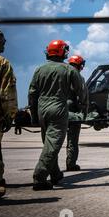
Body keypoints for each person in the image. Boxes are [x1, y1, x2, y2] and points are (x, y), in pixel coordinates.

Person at [28, 40, 85, 190]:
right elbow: (82, 91)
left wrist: (33, 116)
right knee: (53, 145)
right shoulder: (69, 70)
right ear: (62, 52)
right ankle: (39, 177)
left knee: (48, 143)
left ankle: (55, 174)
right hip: (58, 108)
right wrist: (84, 110)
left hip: (42, 109)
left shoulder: (39, 69)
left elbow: (32, 94)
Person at [0, 27, 18, 200]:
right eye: (1, 40)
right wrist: (10, 116)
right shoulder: (1, 63)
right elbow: (7, 94)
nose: (4, 43)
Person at [66, 55, 88, 172]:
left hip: (57, 109)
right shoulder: (78, 77)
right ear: (80, 65)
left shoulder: (61, 74)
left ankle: (52, 167)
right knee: (72, 140)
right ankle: (71, 163)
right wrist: (84, 112)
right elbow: (83, 96)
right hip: (73, 111)